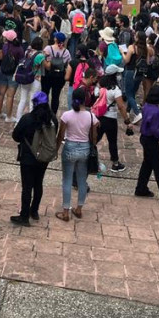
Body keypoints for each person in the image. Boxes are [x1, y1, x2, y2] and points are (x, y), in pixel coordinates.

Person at [11, 90, 58, 225]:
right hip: (44, 157)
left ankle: (24, 216)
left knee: (27, 187)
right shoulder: (53, 120)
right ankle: (34, 211)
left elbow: (15, 136)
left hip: (27, 157)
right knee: (38, 183)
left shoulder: (27, 119)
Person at [55, 86, 98, 221]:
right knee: (81, 181)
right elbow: (94, 138)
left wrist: (56, 150)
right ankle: (79, 208)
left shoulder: (66, 115)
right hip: (85, 149)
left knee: (67, 180)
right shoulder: (91, 117)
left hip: (69, 148)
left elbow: (60, 136)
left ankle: (66, 211)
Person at [94, 65, 130, 172]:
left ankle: (86, 157)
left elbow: (95, 95)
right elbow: (121, 106)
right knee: (112, 141)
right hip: (110, 119)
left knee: (94, 139)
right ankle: (115, 163)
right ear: (115, 75)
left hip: (99, 116)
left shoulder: (100, 86)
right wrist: (127, 120)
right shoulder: (115, 90)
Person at [0, 30, 24, 122]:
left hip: (3, 71)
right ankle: (9, 116)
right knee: (10, 96)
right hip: (13, 73)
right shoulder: (19, 48)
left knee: (0, 93)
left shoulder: (5, 46)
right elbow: (21, 61)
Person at [41, 31, 71, 114]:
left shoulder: (48, 48)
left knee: (44, 94)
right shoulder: (66, 52)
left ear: (55, 39)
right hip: (60, 77)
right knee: (56, 96)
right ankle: (53, 116)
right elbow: (68, 64)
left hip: (47, 75)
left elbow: (44, 63)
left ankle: (44, 114)